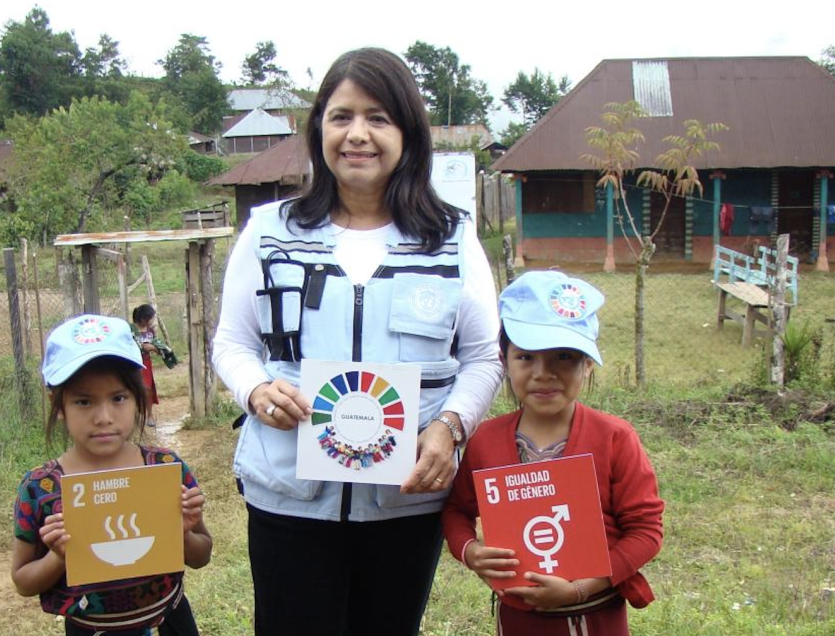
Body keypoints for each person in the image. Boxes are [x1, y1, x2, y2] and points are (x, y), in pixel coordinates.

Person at [211, 47, 503, 636]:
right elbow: (232, 343)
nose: (357, 134)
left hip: (403, 499)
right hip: (289, 492)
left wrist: (450, 428)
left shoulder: (450, 239)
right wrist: (256, 389)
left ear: (407, 133)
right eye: (341, 116)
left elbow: (482, 356)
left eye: (378, 117)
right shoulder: (271, 232)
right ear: (319, 127)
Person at [442, 271, 664, 635]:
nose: (543, 373)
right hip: (517, 620)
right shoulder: (485, 441)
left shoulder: (614, 439)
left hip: (596, 617)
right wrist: (470, 551)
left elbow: (646, 531)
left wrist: (581, 588)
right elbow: (456, 510)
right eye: (526, 357)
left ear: (588, 362)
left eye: (564, 356)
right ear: (504, 360)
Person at [12, 314, 213, 635]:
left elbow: (201, 555)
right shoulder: (41, 488)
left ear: (138, 398)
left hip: (169, 623)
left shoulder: (165, 470)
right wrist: (58, 556)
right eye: (83, 401)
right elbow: (23, 580)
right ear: (59, 405)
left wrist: (184, 533)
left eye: (118, 398)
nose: (103, 417)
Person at [132, 304, 177, 426]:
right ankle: (135, 415)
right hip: (133, 364)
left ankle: (149, 415)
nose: (151, 321)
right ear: (143, 318)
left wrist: (152, 348)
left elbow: (158, 347)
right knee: (133, 389)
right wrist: (140, 347)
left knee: (148, 389)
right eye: (150, 318)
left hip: (146, 363)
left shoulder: (150, 332)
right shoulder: (131, 330)